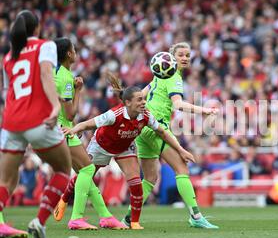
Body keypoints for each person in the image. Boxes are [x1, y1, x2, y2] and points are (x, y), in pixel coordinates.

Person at [63, 85, 195, 229]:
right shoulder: (115, 114)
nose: (143, 102)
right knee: (86, 175)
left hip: (124, 148)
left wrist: (181, 150)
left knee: (136, 181)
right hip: (102, 146)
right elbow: (88, 124)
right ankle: (65, 199)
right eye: (139, 100)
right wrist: (74, 129)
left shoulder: (145, 115)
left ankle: (134, 222)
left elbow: (162, 132)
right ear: (128, 103)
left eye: (144, 99)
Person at [122, 42, 219, 229]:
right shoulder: (173, 76)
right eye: (181, 55)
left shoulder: (159, 73)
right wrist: (204, 110)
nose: (185, 58)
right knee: (181, 169)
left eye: (188, 55)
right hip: (156, 127)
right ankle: (196, 216)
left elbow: (142, 94)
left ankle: (127, 219)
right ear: (171, 57)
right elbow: (178, 105)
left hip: (143, 128)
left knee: (150, 178)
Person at [0, 10, 72, 238]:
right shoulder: (45, 46)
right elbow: (45, 74)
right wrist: (54, 107)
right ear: (37, 29)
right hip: (38, 120)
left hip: (11, 123)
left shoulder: (9, 57)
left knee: (7, 181)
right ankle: (39, 222)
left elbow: (7, 92)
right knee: (63, 169)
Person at [51, 38, 125, 230]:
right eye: (74, 49)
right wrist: (78, 91)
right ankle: (77, 218)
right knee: (88, 170)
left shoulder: (52, 72)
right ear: (69, 54)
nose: (75, 52)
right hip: (62, 128)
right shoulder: (66, 77)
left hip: (51, 127)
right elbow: (70, 113)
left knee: (84, 171)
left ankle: (105, 216)